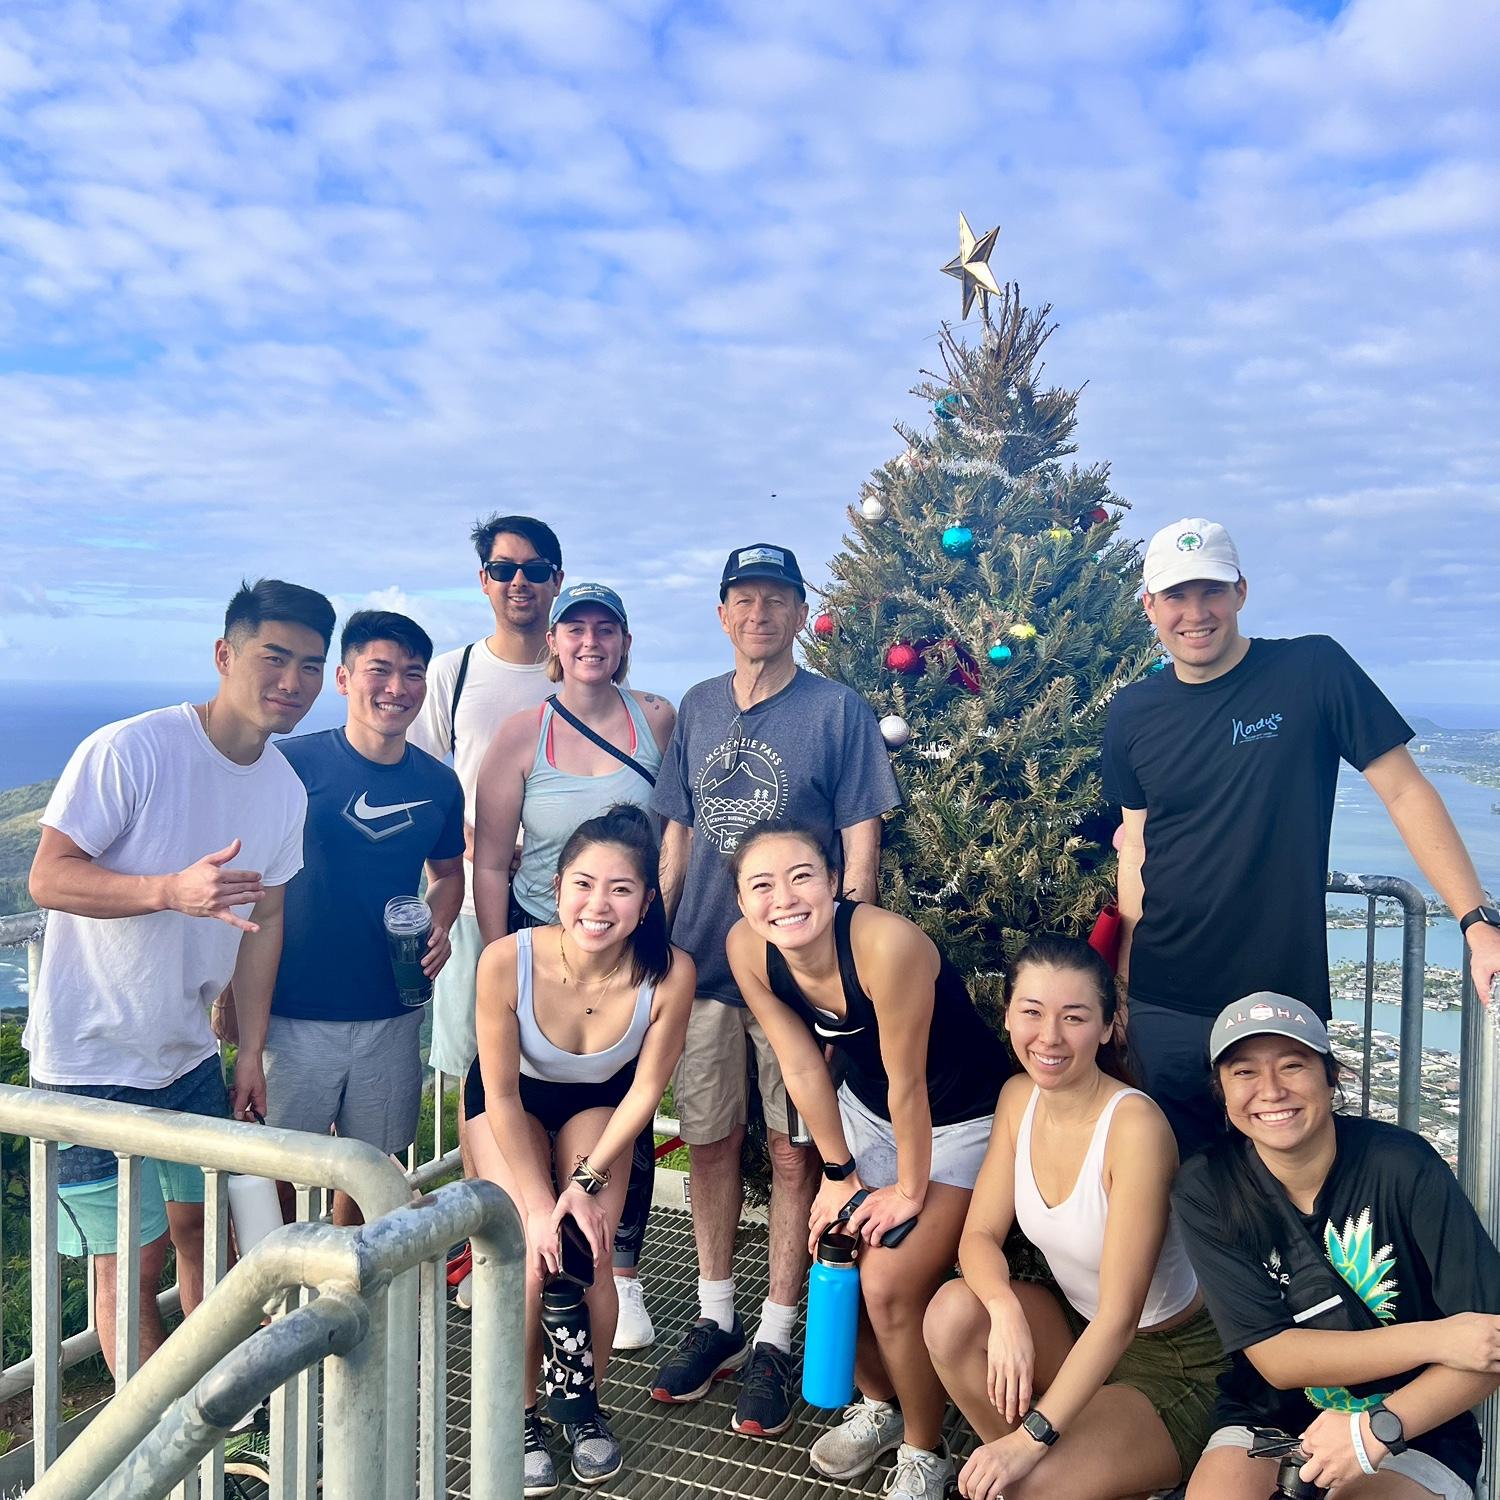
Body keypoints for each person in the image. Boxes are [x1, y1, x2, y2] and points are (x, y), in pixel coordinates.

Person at [1103, 516, 1500, 1154]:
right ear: (1150, 605)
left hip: (1276, 990)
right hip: (1165, 998)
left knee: (1290, 1174)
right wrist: (1123, 988)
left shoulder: (1310, 668)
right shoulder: (1131, 712)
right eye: (1176, 595)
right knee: (1184, 1186)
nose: (1195, 612)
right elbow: (1136, 847)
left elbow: (1403, 790)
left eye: (1212, 591)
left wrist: (1475, 921)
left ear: (1241, 593)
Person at [24, 578, 335, 1373]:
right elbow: (49, 879)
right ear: (224, 654)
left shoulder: (282, 788)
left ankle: (218, 1399)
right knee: (134, 1260)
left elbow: (265, 923)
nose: (291, 682)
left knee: (203, 1230)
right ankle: (152, 1434)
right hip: (88, 1060)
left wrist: (251, 1052)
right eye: (274, 657)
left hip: (190, 1053)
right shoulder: (133, 748)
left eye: (308, 664)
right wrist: (167, 892)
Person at [649, 541, 902, 1439]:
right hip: (708, 972)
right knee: (710, 1141)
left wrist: (843, 966)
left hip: (795, 978)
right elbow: (678, 834)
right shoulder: (699, 706)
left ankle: (776, 1334)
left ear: (801, 613)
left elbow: (860, 842)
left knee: (797, 1152)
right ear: (722, 614)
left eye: (776, 600)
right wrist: (659, 934)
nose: (758, 615)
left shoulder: (837, 710)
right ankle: (717, 1317)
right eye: (742, 600)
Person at [724, 822, 1012, 1499]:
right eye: (761, 885)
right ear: (741, 901)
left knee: (886, 1282)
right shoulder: (748, 948)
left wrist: (908, 1191)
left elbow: (907, 1079)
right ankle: (881, 1407)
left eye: (800, 876)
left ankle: (925, 1450)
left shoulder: (889, 945)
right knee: (834, 1246)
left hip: (962, 1122)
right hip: (864, 1110)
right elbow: (799, 1062)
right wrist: (838, 1175)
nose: (783, 899)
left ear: (832, 881)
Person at [923, 933, 1226, 1500]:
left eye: (1075, 1017)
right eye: (1032, 1012)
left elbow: (1119, 1317)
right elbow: (979, 1236)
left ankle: (1059, 1469)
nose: (1050, 1037)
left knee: (1024, 1477)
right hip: (1078, 1329)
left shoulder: (1134, 1129)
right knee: (954, 1314)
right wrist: (1005, 1308)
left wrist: (1031, 1438)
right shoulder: (1018, 1098)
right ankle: (1049, 1472)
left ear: (1110, 1026)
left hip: (1174, 1360)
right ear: (1008, 1014)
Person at [1174, 995, 1500, 1499]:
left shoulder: (1403, 1167)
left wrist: (1377, 1429)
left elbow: (1489, 1346)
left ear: (1331, 1078)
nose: (1271, 1090)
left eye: (1293, 1065)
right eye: (1244, 1072)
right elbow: (1277, 1359)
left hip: (1413, 1423)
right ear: (1221, 1091)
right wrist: (1439, 1338)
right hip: (1269, 1419)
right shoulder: (1208, 1188)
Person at [466, 805, 695, 1493]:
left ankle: (582, 1404)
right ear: (557, 887)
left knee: (586, 1251)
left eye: (621, 889)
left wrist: (583, 1186)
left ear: (646, 900)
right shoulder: (508, 959)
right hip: (510, 1102)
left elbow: (646, 1092)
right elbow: (501, 1096)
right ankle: (521, 1411)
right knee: (529, 1259)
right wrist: (538, 1203)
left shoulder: (667, 973)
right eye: (584, 885)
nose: (599, 905)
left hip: (604, 1103)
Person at [472, 580, 676, 1348]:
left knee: (627, 1108)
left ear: (624, 642)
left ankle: (621, 1271)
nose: (589, 642)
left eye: (605, 629)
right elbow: (491, 860)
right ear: (553, 644)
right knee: (515, 1107)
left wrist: (661, 916)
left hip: (631, 936)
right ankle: (530, 1255)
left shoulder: (656, 719)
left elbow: (677, 829)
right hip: (536, 937)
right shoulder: (522, 734)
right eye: (575, 629)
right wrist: (505, 953)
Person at [258, 609, 465, 1226]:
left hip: (390, 1008)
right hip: (292, 1010)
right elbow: (250, 883)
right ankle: (277, 1303)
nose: (396, 687)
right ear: (345, 679)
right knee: (277, 1165)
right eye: (380, 670)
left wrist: (440, 926)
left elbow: (448, 874)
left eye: (412, 674)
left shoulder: (440, 784)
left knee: (371, 1162)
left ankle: (345, 1284)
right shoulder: (290, 765)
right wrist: (229, 991)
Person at [407, 514, 563, 1304]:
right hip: (472, 905)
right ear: (483, 582)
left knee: (542, 1068)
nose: (519, 583)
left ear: (557, 581)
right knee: (478, 1069)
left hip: (568, 912)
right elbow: (423, 774)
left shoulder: (572, 670)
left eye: (535, 568)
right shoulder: (454, 671)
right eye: (503, 570)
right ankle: (483, 1245)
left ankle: (539, 1238)